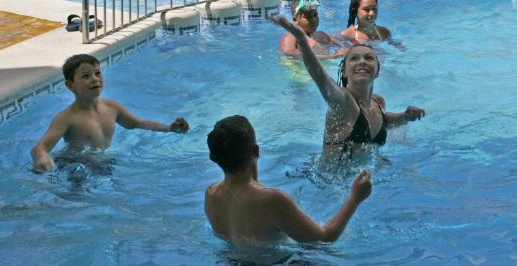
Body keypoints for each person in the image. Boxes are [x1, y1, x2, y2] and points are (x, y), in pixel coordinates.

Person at [205, 115, 372, 244]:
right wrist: (355, 198)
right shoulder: (272, 201)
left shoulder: (211, 194)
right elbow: (323, 240)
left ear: (215, 158)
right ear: (256, 151)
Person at [273, 17, 425, 152]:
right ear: (344, 72)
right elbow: (320, 77)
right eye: (354, 59)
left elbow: (382, 121)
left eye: (368, 58)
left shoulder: (378, 102)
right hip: (333, 183)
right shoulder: (343, 101)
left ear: (377, 71)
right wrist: (301, 40)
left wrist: (404, 116)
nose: (362, 61)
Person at [30, 54, 189, 172]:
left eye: (98, 73)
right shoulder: (67, 117)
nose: (94, 79)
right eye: (86, 76)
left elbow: (139, 123)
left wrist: (169, 128)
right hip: (72, 164)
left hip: (100, 161)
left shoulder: (112, 107)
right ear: (70, 85)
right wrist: (42, 158)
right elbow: (40, 147)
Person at [278, 0, 343, 58]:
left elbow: (342, 46)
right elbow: (289, 56)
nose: (313, 20)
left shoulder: (323, 34)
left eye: (315, 15)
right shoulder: (291, 36)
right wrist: (330, 57)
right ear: (295, 19)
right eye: (307, 17)